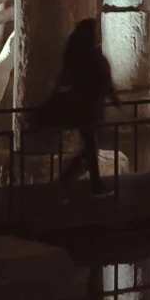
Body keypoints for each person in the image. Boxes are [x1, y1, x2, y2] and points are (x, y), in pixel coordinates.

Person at [53, 17, 117, 192]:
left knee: (90, 146)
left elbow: (66, 77)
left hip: (83, 106)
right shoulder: (92, 55)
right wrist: (113, 97)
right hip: (89, 107)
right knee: (90, 146)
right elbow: (104, 77)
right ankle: (80, 180)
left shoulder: (76, 53)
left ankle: (73, 178)